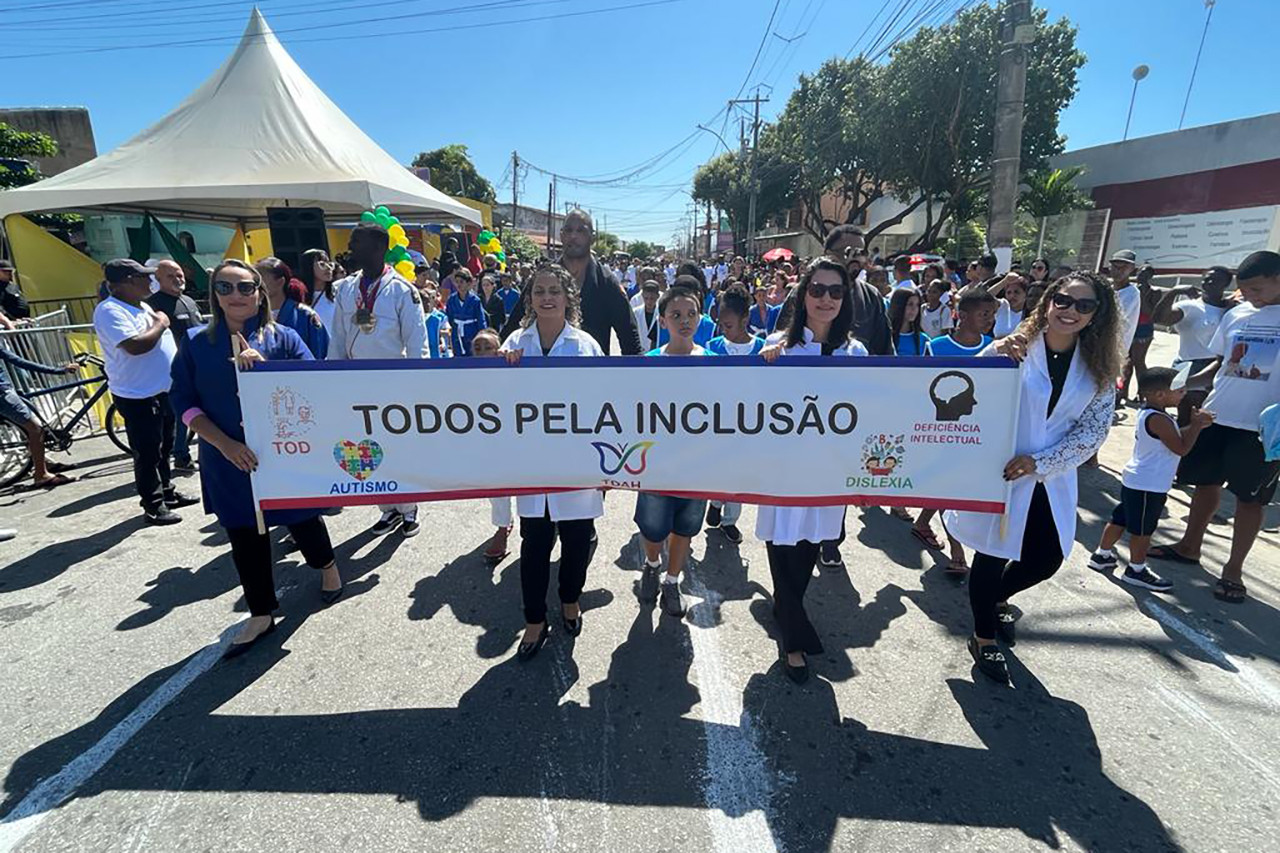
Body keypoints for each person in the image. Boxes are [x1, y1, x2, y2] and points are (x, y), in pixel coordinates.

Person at [946, 272, 1122, 684]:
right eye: (1063, 300)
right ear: (1047, 302)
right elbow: (965, 390)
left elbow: (1093, 432)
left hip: (1049, 474)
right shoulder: (1014, 348)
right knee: (993, 551)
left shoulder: (1097, 369)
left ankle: (998, 598)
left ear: (1097, 315)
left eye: (1084, 305)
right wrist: (994, 357)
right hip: (1001, 468)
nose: (1070, 311)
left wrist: (1042, 461)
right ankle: (983, 637)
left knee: (1046, 557)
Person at [169, 259, 343, 655]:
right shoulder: (196, 342)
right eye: (225, 288)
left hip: (284, 453)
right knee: (244, 532)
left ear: (259, 293)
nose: (236, 296)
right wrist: (224, 444)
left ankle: (328, 569)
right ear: (214, 294)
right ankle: (261, 612)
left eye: (245, 287)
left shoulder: (282, 338)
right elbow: (183, 400)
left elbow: (314, 387)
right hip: (227, 458)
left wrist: (269, 374)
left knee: (302, 518)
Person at [757, 259, 868, 683]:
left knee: (808, 546)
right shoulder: (778, 347)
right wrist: (763, 364)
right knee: (781, 542)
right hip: (782, 467)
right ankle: (794, 637)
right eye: (817, 289)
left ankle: (787, 610)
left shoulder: (855, 352)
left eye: (835, 292)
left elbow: (871, 410)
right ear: (803, 294)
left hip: (828, 471)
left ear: (845, 299)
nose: (825, 299)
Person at [1150, 250, 1280, 604]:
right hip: (1216, 414)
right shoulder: (1236, 313)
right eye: (1246, 289)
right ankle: (1189, 546)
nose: (1249, 296)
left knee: (1250, 500)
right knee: (1205, 484)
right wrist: (1188, 386)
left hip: (1262, 429)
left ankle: (1233, 570)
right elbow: (1221, 363)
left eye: (1256, 288)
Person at [500, 264, 605, 661]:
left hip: (575, 462)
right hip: (532, 464)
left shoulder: (585, 346)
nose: (547, 297)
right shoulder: (514, 342)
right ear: (530, 299)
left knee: (577, 542)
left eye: (554, 291)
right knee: (535, 544)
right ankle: (533, 620)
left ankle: (570, 599)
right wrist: (501, 365)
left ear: (568, 298)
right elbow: (497, 399)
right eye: (539, 291)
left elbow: (604, 402)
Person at [331, 222, 428, 537]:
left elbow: (417, 342)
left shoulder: (402, 290)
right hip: (355, 383)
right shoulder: (345, 288)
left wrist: (417, 386)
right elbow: (338, 337)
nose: (350, 247)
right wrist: (333, 378)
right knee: (366, 450)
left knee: (398, 449)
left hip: (393, 384)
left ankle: (409, 509)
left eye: (356, 242)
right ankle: (387, 509)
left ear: (378, 247)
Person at [1088, 367, 1214, 592]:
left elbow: (1171, 437)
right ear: (1160, 395)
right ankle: (1136, 569)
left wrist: (1193, 425)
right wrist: (1196, 426)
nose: (1183, 393)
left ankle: (1101, 555)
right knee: (1143, 531)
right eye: (1179, 390)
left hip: (1137, 480)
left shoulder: (1153, 414)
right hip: (1149, 484)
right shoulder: (1159, 419)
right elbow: (1181, 448)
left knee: (1120, 518)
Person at [92, 259, 198, 525]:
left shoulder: (143, 306)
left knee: (163, 448)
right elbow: (136, 346)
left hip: (162, 390)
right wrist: (162, 323)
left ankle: (167, 493)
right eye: (144, 277)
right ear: (128, 281)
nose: (149, 282)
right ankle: (152, 505)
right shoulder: (110, 310)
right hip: (138, 394)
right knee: (147, 452)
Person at [636, 284, 711, 617]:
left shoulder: (715, 363)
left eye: (691, 314)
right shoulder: (649, 363)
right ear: (663, 320)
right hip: (656, 465)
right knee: (653, 528)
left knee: (685, 527)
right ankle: (652, 564)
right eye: (676, 315)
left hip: (697, 465)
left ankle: (672, 580)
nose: (685, 320)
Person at [502, 211, 642, 354]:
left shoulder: (607, 284)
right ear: (561, 236)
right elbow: (510, 331)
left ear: (593, 238)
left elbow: (630, 342)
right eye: (568, 230)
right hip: (538, 373)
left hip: (591, 371)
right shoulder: (541, 279)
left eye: (581, 230)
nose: (573, 236)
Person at [1152, 265, 1234, 423]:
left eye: (1216, 280)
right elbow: (1160, 319)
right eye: (1207, 278)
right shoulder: (1190, 307)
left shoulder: (1232, 309)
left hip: (1217, 366)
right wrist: (1174, 291)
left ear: (1226, 285)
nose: (1209, 282)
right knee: (1187, 415)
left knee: (1209, 417)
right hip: (1189, 366)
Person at [146, 259, 203, 472]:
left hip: (199, 365)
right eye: (171, 276)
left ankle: (187, 452)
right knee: (182, 413)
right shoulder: (154, 305)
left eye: (179, 274)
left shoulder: (188, 300)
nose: (178, 279)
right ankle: (180, 455)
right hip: (177, 369)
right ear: (158, 279)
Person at [0, 343, 79, 488]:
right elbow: (18, 361)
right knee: (35, 429)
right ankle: (41, 475)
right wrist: (59, 370)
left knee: (27, 425)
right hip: (2, 393)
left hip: (5, 390)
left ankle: (41, 462)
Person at [470, 329, 514, 560]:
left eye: (488, 347)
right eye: (477, 348)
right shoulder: (463, 377)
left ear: (499, 350)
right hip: (489, 443)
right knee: (497, 487)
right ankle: (502, 527)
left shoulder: (512, 370)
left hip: (518, 438)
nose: (483, 352)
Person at [822, 225, 892, 354]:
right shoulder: (806, 291)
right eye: (848, 251)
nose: (855, 258)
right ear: (828, 254)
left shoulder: (871, 296)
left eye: (861, 252)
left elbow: (885, 350)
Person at [256, 257, 329, 360]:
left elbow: (320, 354)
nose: (256, 285)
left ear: (280, 282)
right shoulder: (252, 314)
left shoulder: (305, 315)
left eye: (260, 279)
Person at [1106, 249, 1144, 400]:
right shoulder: (1107, 288)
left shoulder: (1132, 293)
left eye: (1123, 268)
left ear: (1131, 270)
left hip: (1115, 348)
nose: (1118, 271)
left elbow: (1115, 317)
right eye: (1115, 267)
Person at [929, 284, 996, 357]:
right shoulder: (935, 347)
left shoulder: (992, 346)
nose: (991, 320)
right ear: (963, 316)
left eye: (993, 314)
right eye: (984, 315)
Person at [445, 268, 487, 355]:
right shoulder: (451, 299)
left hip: (471, 331)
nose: (459, 285)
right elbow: (450, 316)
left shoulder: (475, 300)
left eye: (461, 282)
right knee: (458, 354)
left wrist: (482, 335)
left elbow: (481, 319)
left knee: (472, 354)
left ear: (468, 283)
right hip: (457, 332)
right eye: (457, 282)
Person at [299, 249, 339, 333]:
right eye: (322, 264)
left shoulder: (339, 293)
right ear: (308, 267)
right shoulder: (300, 298)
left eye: (329, 263)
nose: (328, 268)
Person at [888, 287, 932, 357]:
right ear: (899, 305)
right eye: (910, 304)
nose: (914, 309)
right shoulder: (885, 337)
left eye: (917, 305)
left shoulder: (924, 340)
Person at [988, 272, 1028, 338]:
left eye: (1016, 292)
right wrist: (1004, 281)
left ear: (1025, 295)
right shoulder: (1003, 305)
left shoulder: (1029, 313)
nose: (1012, 296)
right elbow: (985, 298)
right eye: (1009, 293)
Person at [420, 283, 451, 359]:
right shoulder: (416, 317)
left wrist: (440, 332)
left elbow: (449, 331)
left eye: (433, 297)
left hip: (437, 355)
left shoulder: (440, 317)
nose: (428, 303)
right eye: (425, 300)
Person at [633, 280, 661, 351]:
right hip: (639, 352)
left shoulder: (662, 313)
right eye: (646, 298)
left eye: (652, 298)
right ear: (642, 295)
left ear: (658, 296)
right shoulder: (635, 313)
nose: (649, 302)